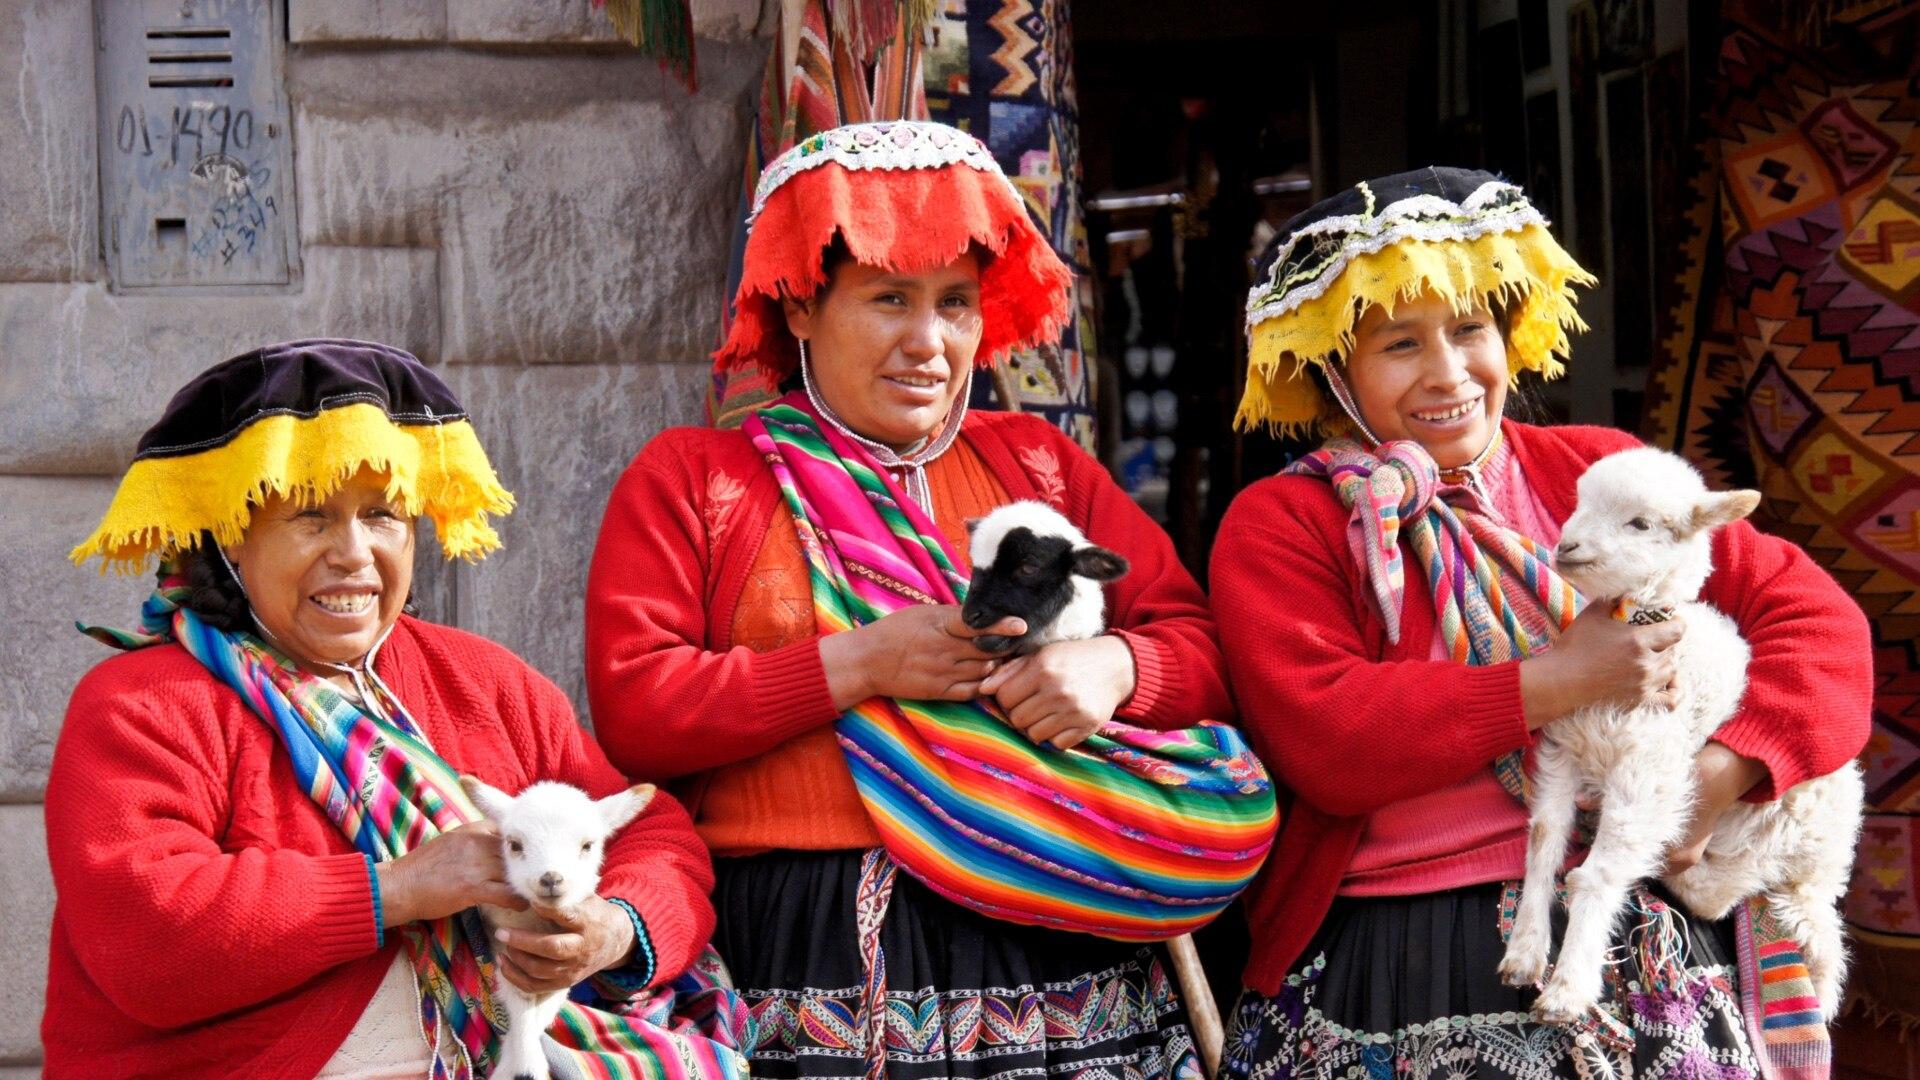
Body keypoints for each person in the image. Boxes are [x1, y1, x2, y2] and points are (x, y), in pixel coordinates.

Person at [586, 120, 1238, 1080]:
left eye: (955, 303)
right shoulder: (698, 480)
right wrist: (859, 664)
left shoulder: (1040, 469)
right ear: (800, 304)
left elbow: (1207, 648)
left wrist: (1118, 667)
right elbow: (636, 710)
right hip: (807, 954)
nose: (929, 344)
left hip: (1059, 930)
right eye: (889, 298)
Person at [1208, 168, 1873, 1079]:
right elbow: (1327, 735)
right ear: (1332, 365)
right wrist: (1566, 679)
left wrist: (1724, 773)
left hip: (1636, 906)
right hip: (1402, 943)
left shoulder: (1602, 475)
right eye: (1401, 343)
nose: (1449, 373)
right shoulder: (1287, 525)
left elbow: (1820, 623)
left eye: (1470, 328)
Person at [45, 339, 743, 1079]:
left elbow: (651, 834)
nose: (354, 552)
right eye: (310, 516)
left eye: (383, 515)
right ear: (229, 542)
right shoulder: (144, 705)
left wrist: (613, 930)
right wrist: (398, 888)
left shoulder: (483, 680)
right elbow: (147, 939)